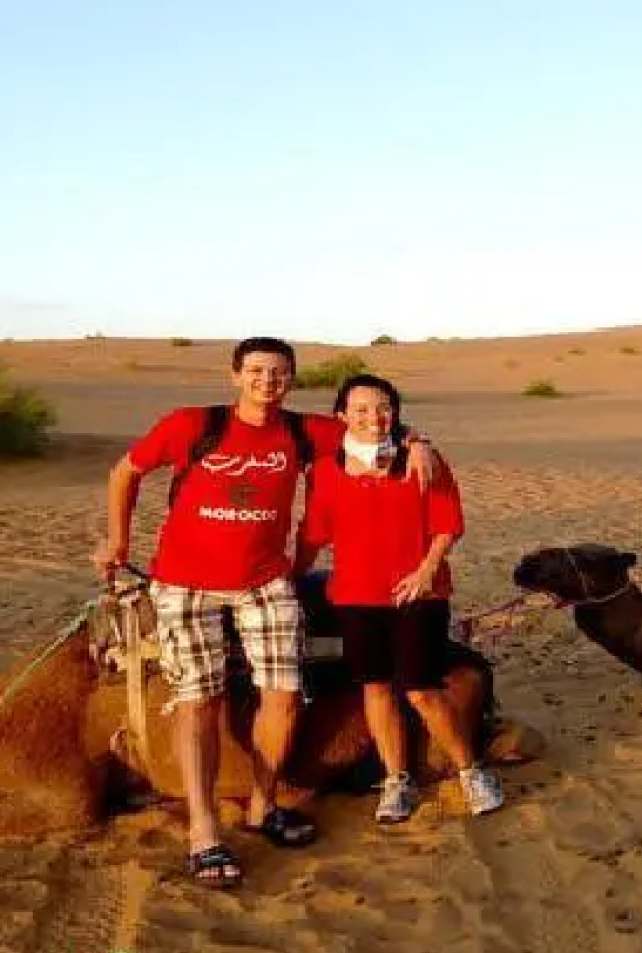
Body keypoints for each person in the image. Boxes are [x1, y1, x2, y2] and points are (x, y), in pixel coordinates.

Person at [93, 337, 436, 888]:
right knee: (197, 697)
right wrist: (117, 540)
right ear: (236, 376)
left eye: (278, 373)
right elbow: (125, 472)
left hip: (264, 580)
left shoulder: (305, 433)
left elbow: (373, 426)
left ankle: (263, 804)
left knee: (283, 694)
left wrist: (417, 441)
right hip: (183, 581)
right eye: (255, 371)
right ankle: (204, 830)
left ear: (291, 381)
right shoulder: (192, 424)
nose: (266, 381)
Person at [292, 372, 504, 823]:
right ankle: (395, 779)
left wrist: (427, 571)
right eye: (363, 409)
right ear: (342, 416)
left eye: (384, 408)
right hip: (355, 594)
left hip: (418, 591)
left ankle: (470, 770)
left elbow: (447, 523)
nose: (374, 417)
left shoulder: (422, 460)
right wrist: (290, 576)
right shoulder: (326, 472)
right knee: (376, 687)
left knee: (422, 689)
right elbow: (313, 533)